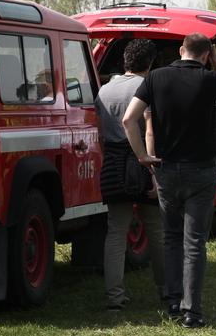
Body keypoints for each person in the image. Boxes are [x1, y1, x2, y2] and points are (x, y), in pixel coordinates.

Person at [122, 33, 216, 329]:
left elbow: (129, 119)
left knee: (171, 237)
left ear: (181, 50)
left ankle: (174, 299)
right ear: (207, 54)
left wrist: (143, 157)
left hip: (166, 169)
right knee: (195, 242)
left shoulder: (156, 78)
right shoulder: (209, 79)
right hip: (201, 170)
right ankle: (193, 311)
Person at [95, 39, 164, 312]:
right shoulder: (146, 87)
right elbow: (149, 131)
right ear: (150, 63)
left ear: (125, 61)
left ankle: (114, 297)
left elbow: (100, 134)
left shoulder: (104, 90)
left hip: (112, 162)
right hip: (141, 162)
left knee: (116, 232)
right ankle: (166, 290)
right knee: (156, 230)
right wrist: (154, 172)